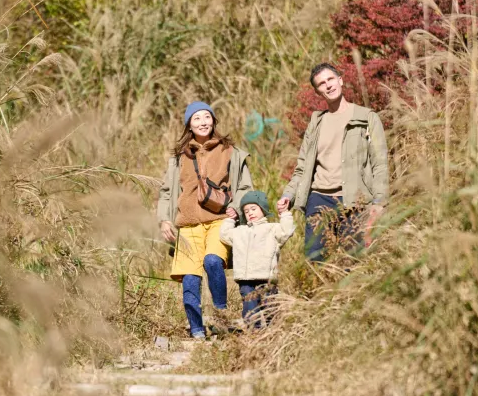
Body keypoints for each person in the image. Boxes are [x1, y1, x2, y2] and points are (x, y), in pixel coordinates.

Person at [157, 101, 253, 339]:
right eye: (197, 118)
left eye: (206, 117)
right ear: (189, 124)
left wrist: (236, 208)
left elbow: (244, 186)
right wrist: (164, 220)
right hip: (187, 223)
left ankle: (220, 314)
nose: (202, 122)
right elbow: (167, 192)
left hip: (219, 219)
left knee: (212, 262)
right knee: (189, 279)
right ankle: (197, 330)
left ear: (214, 121)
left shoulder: (230, 151)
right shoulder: (179, 158)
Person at [277, 63, 389, 262]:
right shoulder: (317, 122)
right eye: (321, 84)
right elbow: (303, 165)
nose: (328, 85)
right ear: (318, 91)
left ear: (340, 80)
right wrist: (289, 194)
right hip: (319, 199)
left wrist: (379, 201)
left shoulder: (366, 117)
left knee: (353, 263)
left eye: (330, 79)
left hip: (355, 200)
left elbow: (379, 163)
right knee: (315, 262)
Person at [219, 191, 294, 329]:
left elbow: (286, 231)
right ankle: (255, 335)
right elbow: (224, 234)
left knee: (270, 309)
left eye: (254, 209)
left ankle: (273, 334)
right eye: (246, 211)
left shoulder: (272, 228)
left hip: (266, 278)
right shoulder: (240, 231)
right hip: (245, 280)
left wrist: (285, 214)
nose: (250, 213)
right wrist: (231, 219)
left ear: (263, 209)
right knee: (250, 311)